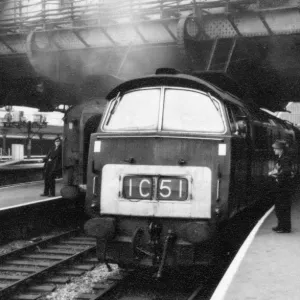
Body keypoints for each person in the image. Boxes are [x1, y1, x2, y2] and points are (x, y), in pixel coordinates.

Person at [268, 140, 294, 233]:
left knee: (283, 207)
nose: (274, 150)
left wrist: (276, 174)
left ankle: (285, 228)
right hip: (282, 186)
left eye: (275, 149)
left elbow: (286, 171)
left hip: (283, 187)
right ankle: (281, 225)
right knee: (279, 207)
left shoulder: (285, 159)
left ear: (281, 150)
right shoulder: (282, 158)